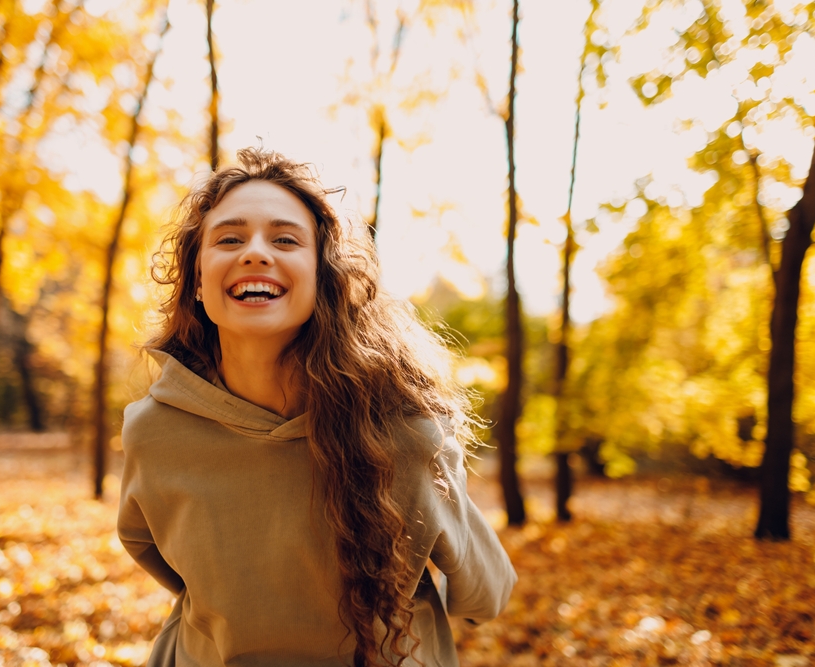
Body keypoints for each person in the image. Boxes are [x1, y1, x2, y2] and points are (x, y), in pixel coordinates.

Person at [117, 148, 516, 667]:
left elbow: (164, 565)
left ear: (323, 275)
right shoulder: (153, 431)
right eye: (229, 238)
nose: (255, 253)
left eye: (285, 239)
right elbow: (485, 592)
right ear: (196, 278)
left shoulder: (407, 435)